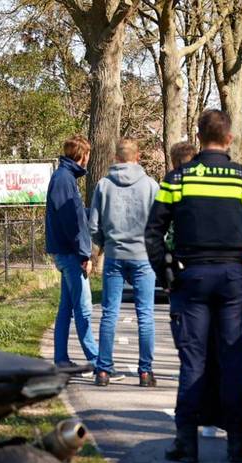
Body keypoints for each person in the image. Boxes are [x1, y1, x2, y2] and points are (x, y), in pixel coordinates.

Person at [144, 110, 242, 463]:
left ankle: (187, 443)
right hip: (232, 278)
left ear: (199, 137)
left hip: (192, 276)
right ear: (229, 138)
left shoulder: (178, 178)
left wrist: (167, 273)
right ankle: (237, 444)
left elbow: (153, 232)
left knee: (193, 362)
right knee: (233, 360)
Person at [89, 138, 160, 387]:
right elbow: (159, 224)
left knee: (109, 313)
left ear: (116, 157)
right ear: (137, 156)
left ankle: (103, 371)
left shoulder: (104, 185)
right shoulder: (151, 186)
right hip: (143, 257)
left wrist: (98, 249)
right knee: (145, 315)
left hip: (115, 256)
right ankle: (145, 372)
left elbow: (94, 225)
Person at [46, 136, 98, 374]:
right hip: (70, 253)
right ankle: (98, 362)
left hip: (66, 251)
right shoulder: (64, 180)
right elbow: (71, 222)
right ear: (82, 155)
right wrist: (84, 254)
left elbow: (76, 215)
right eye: (87, 155)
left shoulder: (64, 178)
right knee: (83, 308)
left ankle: (61, 359)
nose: (88, 160)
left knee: (66, 308)